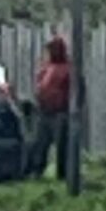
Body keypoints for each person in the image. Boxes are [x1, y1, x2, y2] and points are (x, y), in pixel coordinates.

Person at [28, 34, 73, 181]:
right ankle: (37, 170)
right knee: (40, 143)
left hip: (60, 111)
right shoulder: (46, 68)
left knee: (61, 145)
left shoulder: (67, 69)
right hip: (44, 111)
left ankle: (62, 174)